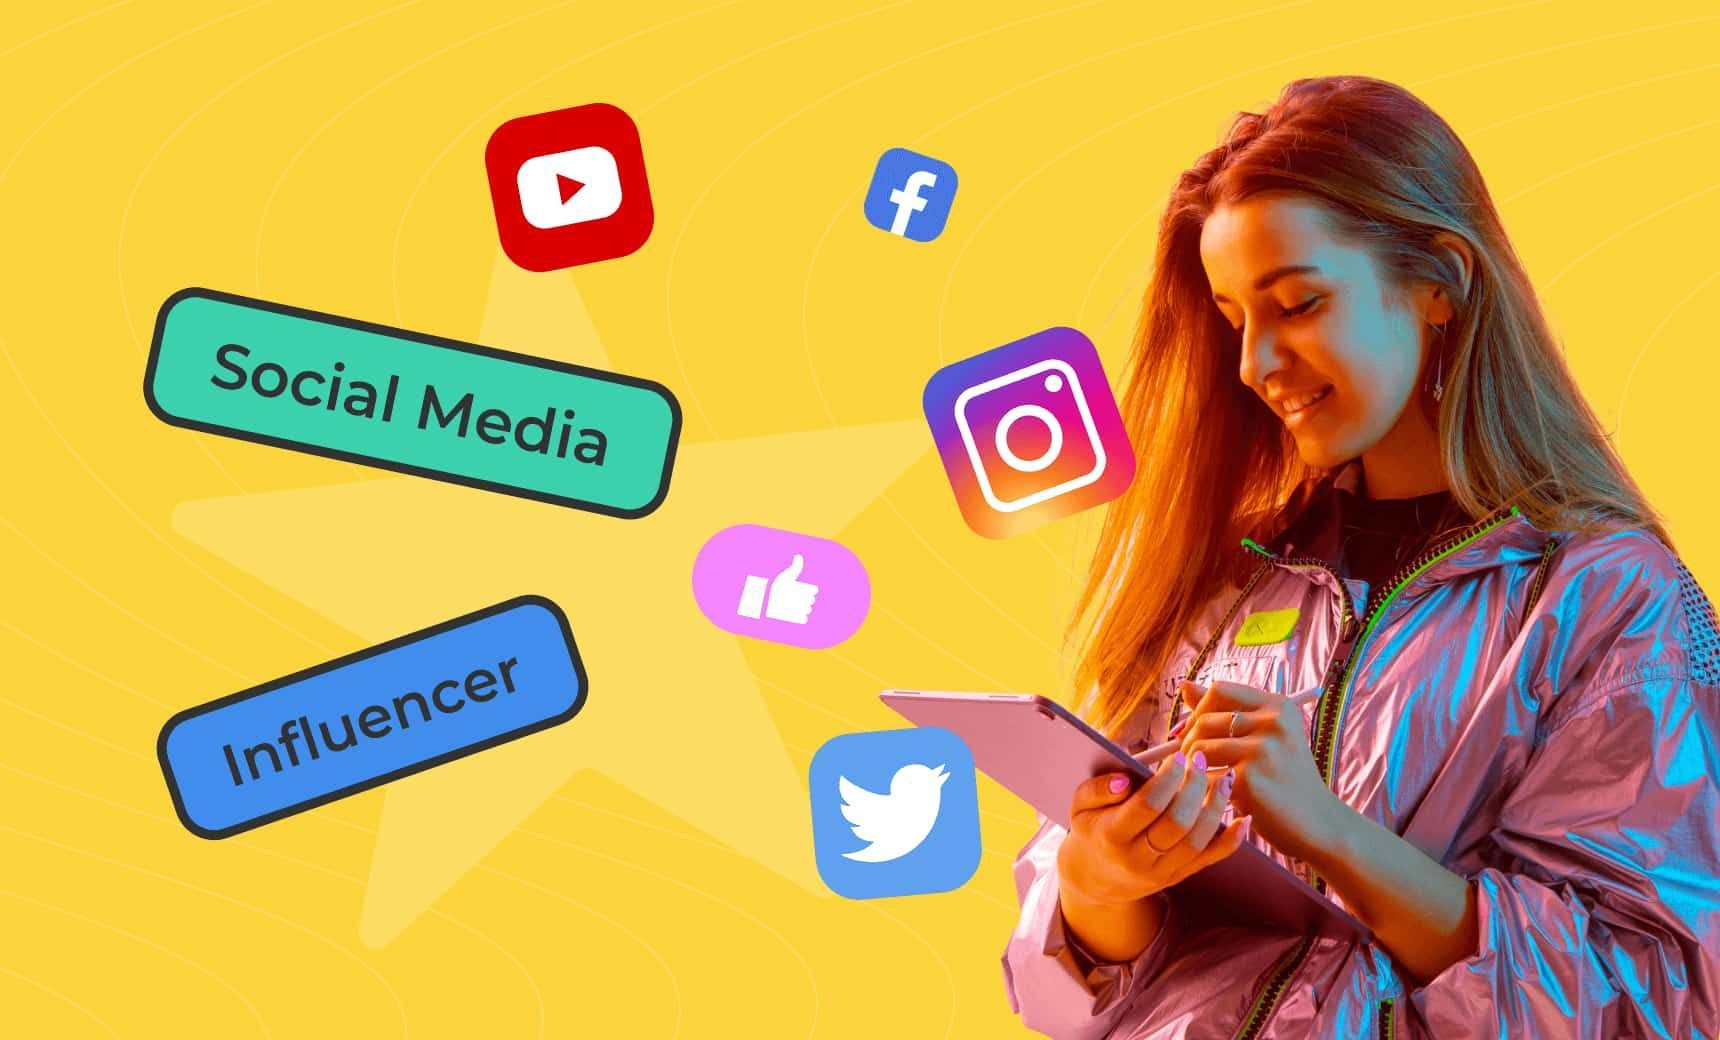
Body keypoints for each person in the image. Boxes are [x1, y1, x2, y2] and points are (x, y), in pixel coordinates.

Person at [1001, 75, 1720, 1039]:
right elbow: (1068, 986)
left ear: (1438, 283)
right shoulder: (1226, 579)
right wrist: (1099, 880)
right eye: (1232, 318)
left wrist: (1331, 835)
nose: (1254, 362)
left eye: (1296, 303)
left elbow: (1658, 997)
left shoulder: (1609, 599)